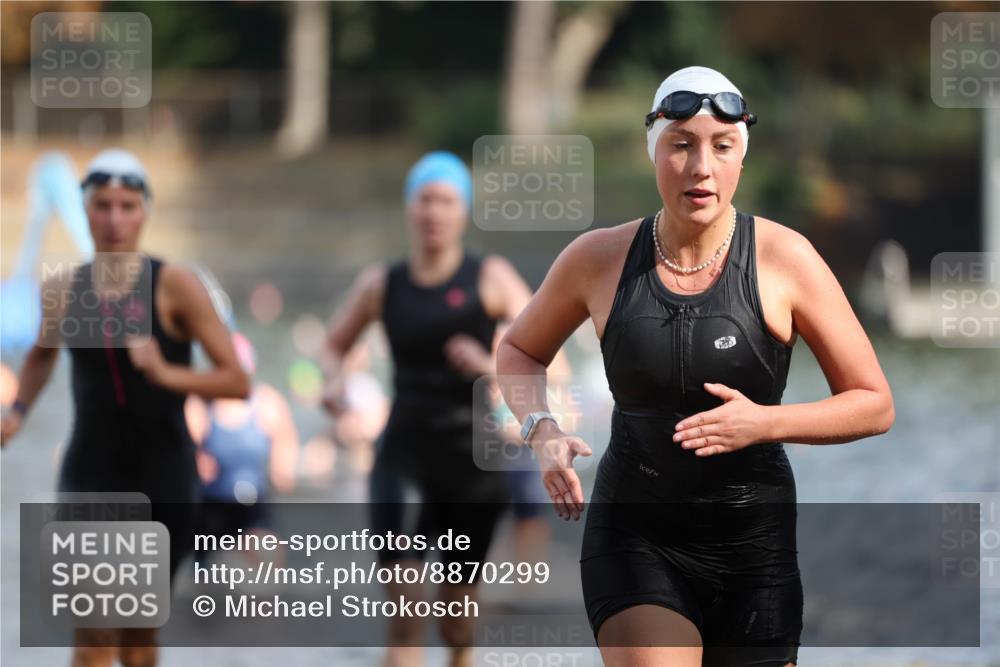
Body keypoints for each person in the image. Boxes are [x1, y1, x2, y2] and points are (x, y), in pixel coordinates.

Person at [496, 66, 895, 667]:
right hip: (635, 535)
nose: (701, 166)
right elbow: (518, 351)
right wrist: (541, 430)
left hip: (754, 546)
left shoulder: (786, 259)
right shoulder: (598, 259)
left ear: (740, 159)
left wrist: (764, 424)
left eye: (721, 147)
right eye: (680, 144)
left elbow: (874, 402)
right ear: (654, 152)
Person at [0, 148, 250, 667]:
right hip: (90, 472)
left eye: (128, 206)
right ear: (85, 211)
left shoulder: (175, 286)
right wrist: (18, 411)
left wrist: (165, 373)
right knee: (92, 636)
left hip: (164, 476)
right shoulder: (64, 290)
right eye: (103, 206)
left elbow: (237, 382)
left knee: (138, 641)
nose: (115, 220)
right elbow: (42, 357)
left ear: (145, 212)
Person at [321, 151, 551, 667]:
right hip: (403, 451)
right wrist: (335, 382)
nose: (434, 212)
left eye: (445, 201)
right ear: (410, 207)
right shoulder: (383, 283)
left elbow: (545, 354)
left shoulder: (489, 277)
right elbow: (334, 345)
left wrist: (490, 364)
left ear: (462, 211)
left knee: (455, 623)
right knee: (405, 615)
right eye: (425, 200)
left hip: (471, 463)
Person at [186, 331, 299, 561]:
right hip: (213, 507)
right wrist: (195, 462)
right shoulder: (200, 405)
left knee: (267, 557)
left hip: (253, 505)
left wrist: (283, 468)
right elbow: (187, 449)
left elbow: (286, 442)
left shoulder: (266, 402)